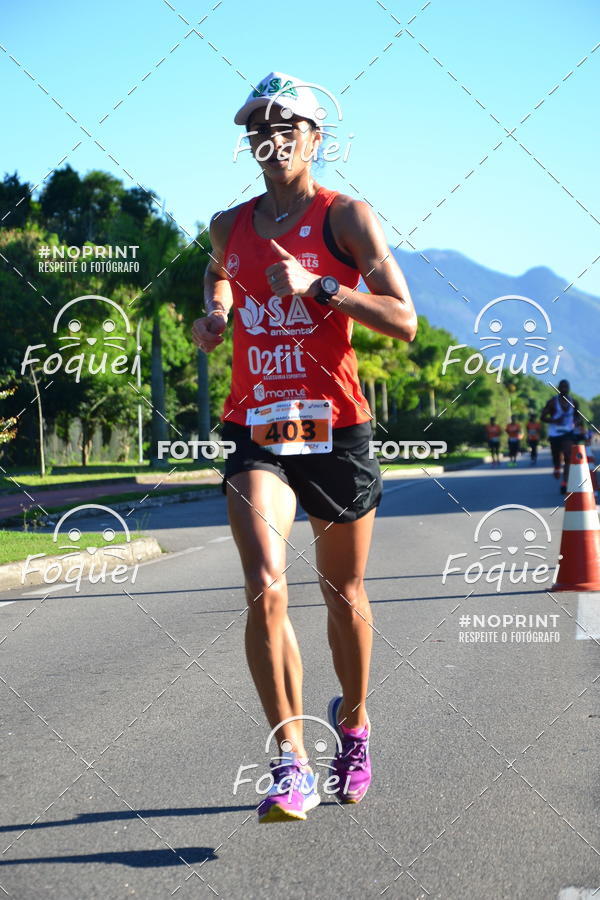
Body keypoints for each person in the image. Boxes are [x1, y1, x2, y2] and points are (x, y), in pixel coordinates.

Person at [191, 72, 417, 822]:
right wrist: (215, 314)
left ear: (316, 138)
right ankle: (290, 760)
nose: (271, 134)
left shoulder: (346, 217)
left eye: (287, 123)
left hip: (337, 430)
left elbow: (404, 319)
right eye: (259, 124)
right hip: (257, 427)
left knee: (343, 594)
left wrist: (320, 288)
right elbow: (218, 276)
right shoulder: (230, 224)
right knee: (265, 580)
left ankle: (352, 723)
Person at [541, 379, 580, 493]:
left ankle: (565, 482)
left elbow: (578, 417)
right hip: (555, 434)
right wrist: (554, 420)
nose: (564, 389)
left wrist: (575, 422)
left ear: (569, 388)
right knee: (556, 456)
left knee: (568, 456)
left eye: (566, 387)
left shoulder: (574, 402)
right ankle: (557, 467)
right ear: (558, 388)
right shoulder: (552, 402)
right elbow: (542, 417)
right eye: (562, 387)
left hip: (568, 433)